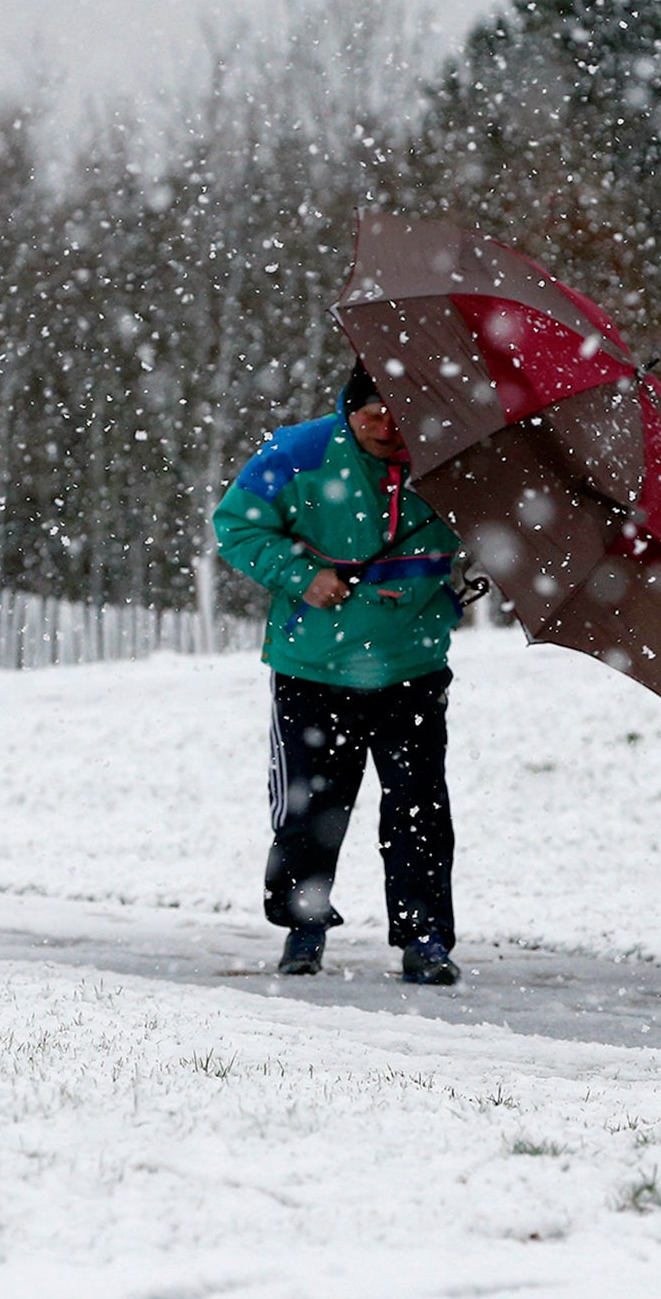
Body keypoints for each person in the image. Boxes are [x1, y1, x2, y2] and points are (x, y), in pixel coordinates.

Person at [213, 358, 466, 984]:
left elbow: (493, 533)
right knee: (311, 807)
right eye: (370, 412)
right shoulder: (297, 453)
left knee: (419, 808)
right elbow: (235, 527)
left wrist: (459, 586)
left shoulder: (458, 464)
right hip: (314, 667)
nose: (386, 426)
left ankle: (425, 940)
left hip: (412, 666)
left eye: (400, 413)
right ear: (347, 410)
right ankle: (304, 928)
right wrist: (302, 575)